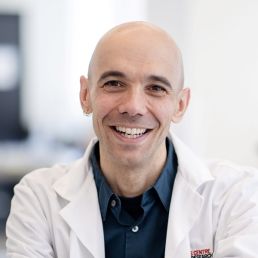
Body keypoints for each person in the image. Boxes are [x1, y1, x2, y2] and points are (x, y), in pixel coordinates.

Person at [6, 21, 258, 258]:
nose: (133, 107)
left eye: (156, 88)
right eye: (114, 83)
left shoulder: (237, 197)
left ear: (180, 105)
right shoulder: (38, 199)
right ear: (85, 95)